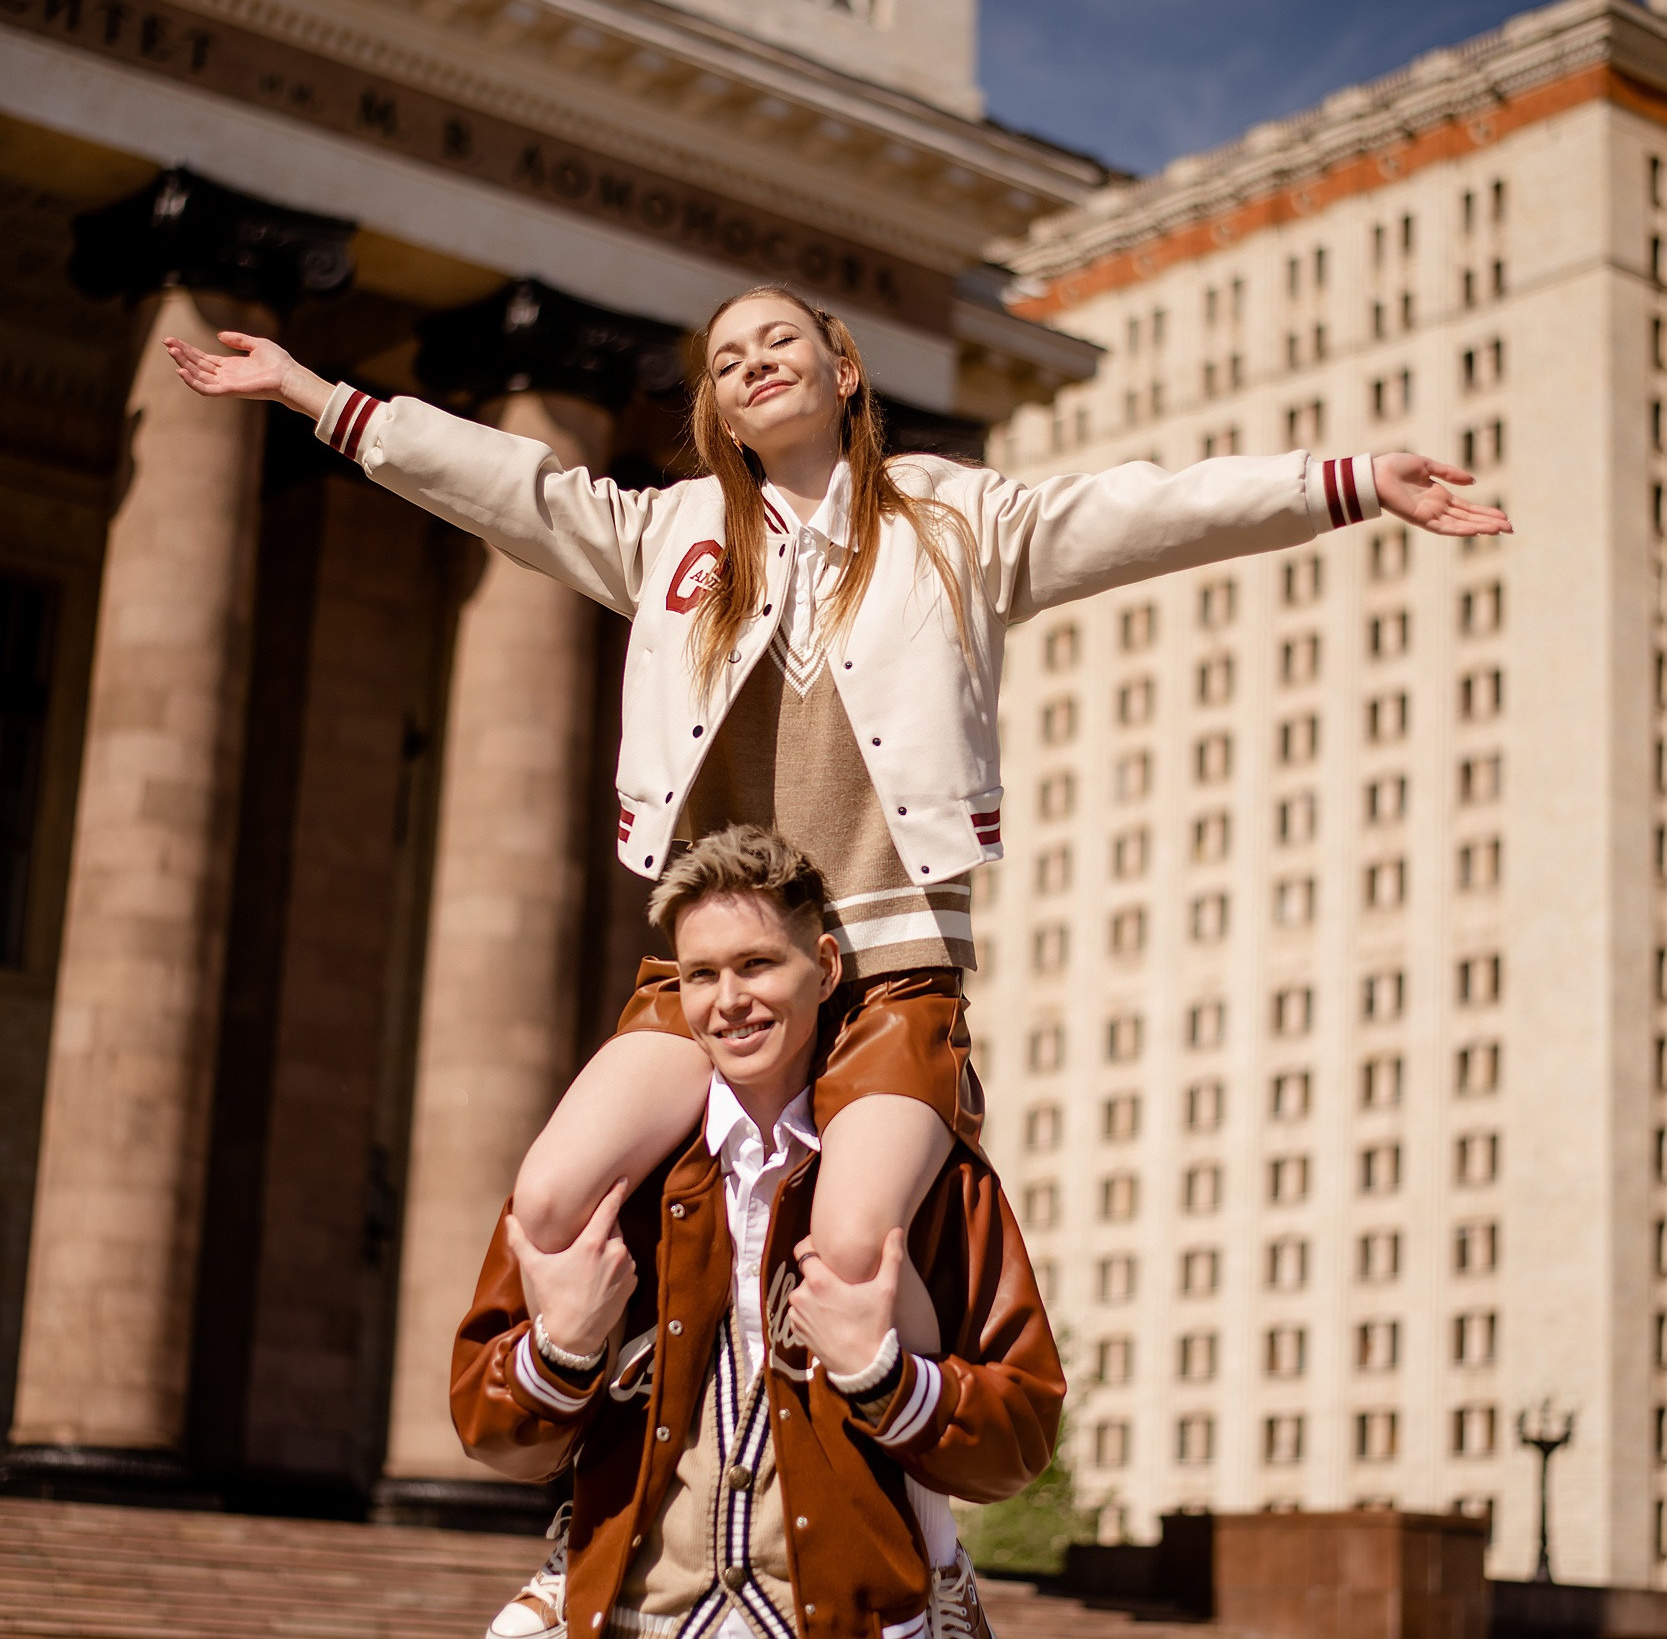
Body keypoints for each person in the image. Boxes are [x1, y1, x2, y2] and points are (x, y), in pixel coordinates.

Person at [164, 287, 1511, 1589]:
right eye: (726, 352)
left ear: (841, 368)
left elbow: (1142, 510)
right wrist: (311, 393)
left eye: (780, 338)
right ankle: (636, 1416)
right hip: (719, 973)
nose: (753, 358)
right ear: (716, 403)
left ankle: (914, 1531)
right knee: (553, 1198)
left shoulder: (955, 519)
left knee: (856, 1250)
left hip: (886, 968)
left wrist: (1343, 481)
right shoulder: (670, 533)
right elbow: (510, 487)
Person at [451, 824, 1063, 1639]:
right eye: (701, 974)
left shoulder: (926, 1177)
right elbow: (489, 1430)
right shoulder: (616, 1178)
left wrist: (885, 1377)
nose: (728, 1000)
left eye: (757, 964)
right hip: (635, 1617)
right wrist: (562, 1348)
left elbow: (1017, 1438)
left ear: (827, 970)